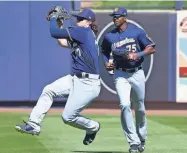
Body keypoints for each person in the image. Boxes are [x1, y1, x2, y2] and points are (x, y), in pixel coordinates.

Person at [15, 7, 101, 146]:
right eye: (77, 18)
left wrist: (54, 18)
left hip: (88, 83)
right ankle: (34, 125)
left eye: (81, 19)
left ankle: (93, 127)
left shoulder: (83, 31)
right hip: (75, 79)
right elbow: (62, 41)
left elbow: (54, 32)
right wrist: (60, 21)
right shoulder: (83, 34)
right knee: (49, 90)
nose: (77, 20)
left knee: (67, 117)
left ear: (89, 22)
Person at [101, 7, 156, 153]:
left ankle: (141, 137)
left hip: (137, 73)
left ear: (124, 17)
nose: (115, 19)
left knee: (140, 108)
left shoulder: (136, 31)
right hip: (120, 74)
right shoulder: (109, 36)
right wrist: (107, 62)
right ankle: (133, 142)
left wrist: (138, 54)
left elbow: (151, 48)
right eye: (113, 16)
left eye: (117, 16)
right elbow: (104, 51)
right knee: (125, 104)